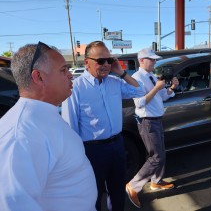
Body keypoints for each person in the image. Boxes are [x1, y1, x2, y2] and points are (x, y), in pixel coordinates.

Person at [0, 42, 97, 211]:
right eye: (63, 70)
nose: (70, 75)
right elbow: (13, 205)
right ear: (39, 77)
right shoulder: (21, 134)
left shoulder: (42, 116)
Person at [61, 41, 144, 211]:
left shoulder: (115, 82)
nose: (106, 64)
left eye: (109, 60)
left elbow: (140, 90)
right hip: (92, 151)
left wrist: (121, 72)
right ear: (87, 63)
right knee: (94, 195)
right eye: (101, 61)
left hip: (117, 145)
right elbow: (70, 127)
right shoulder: (76, 88)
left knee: (118, 191)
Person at [125, 48, 179, 208]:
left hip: (156, 119)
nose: (155, 62)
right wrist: (157, 87)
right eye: (152, 59)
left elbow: (162, 96)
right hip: (147, 121)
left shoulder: (151, 76)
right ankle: (133, 185)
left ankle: (156, 181)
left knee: (160, 153)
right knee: (155, 157)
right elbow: (140, 102)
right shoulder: (137, 78)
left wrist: (170, 88)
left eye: (155, 59)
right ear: (142, 60)